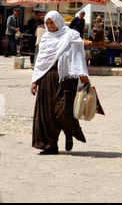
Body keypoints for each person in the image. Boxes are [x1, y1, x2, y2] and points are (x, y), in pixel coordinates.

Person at [30, 10, 90, 155]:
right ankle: (50, 145)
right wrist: (35, 81)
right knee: (47, 113)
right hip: (47, 78)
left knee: (63, 111)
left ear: (59, 21)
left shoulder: (72, 36)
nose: (50, 26)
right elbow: (40, 62)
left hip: (66, 79)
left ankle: (69, 133)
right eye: (48, 23)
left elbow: (78, 59)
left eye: (52, 22)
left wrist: (85, 82)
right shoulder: (45, 38)